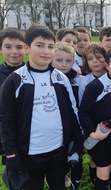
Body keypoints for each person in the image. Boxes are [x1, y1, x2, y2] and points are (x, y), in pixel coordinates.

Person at [0, 24, 83, 190]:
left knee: (58, 185)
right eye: (40, 45)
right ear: (27, 48)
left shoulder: (60, 78)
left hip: (58, 149)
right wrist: (11, 153)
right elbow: (6, 119)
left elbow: (72, 111)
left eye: (50, 46)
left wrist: (77, 141)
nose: (46, 51)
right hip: (29, 153)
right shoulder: (15, 81)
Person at [79, 46, 111, 190]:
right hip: (101, 137)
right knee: (103, 173)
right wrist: (92, 133)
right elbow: (84, 112)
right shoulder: (95, 86)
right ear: (106, 66)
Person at [52, 42, 84, 189]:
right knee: (58, 160)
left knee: (77, 157)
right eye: (59, 60)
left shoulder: (77, 79)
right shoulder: (47, 79)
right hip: (55, 129)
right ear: (51, 59)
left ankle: (75, 183)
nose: (64, 64)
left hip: (74, 126)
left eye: (68, 61)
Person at [78, 42, 107, 186]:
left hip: (109, 124)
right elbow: (83, 109)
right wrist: (87, 132)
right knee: (94, 155)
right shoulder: (85, 81)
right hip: (92, 126)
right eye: (90, 59)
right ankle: (95, 181)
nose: (95, 61)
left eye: (99, 57)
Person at [0, 27, 26, 166]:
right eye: (8, 47)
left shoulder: (31, 70)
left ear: (26, 49)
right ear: (1, 49)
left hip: (28, 129)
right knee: (13, 168)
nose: (14, 51)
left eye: (19, 47)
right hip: (8, 130)